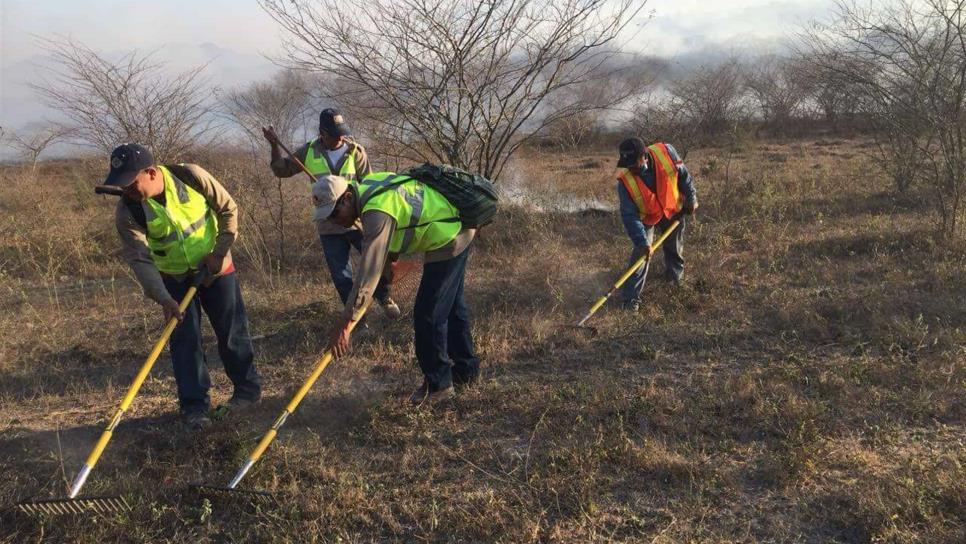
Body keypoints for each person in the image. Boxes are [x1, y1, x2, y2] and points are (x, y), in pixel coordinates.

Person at [102, 143, 262, 430]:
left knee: (231, 331)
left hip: (216, 268)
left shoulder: (192, 177)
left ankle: (248, 393)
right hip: (173, 278)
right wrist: (163, 298)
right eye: (121, 186)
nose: (126, 191)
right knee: (184, 341)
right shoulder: (128, 212)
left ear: (150, 173)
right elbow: (139, 259)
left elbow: (229, 209)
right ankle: (195, 407)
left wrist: (220, 251)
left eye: (131, 183)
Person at [316, 172, 480, 404]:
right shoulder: (370, 187)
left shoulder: (375, 211)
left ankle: (439, 385)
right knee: (451, 305)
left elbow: (367, 273)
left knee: (428, 314)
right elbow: (399, 221)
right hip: (454, 229)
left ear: (348, 197)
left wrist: (346, 322)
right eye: (328, 218)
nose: (334, 221)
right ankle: (466, 372)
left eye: (334, 213)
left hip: (450, 236)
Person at [263, 108, 400, 318]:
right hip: (328, 225)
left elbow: (369, 186)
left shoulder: (356, 151)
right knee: (341, 276)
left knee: (374, 261)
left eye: (342, 132)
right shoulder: (308, 152)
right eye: (335, 134)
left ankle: (384, 297)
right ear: (322, 133)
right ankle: (356, 317)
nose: (340, 137)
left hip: (357, 222)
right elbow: (281, 170)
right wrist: (274, 145)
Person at [616, 137, 698, 310]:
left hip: (672, 210)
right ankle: (630, 301)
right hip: (646, 217)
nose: (631, 169)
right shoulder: (625, 183)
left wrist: (691, 198)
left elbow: (684, 176)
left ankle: (674, 284)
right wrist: (642, 242)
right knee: (641, 256)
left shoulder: (666, 152)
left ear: (644, 156)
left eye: (634, 164)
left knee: (674, 249)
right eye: (627, 165)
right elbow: (630, 216)